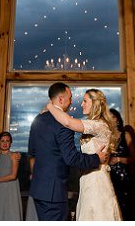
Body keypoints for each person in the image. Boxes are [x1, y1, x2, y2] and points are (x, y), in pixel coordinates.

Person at [28, 82, 108, 220]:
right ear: (61, 99)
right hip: (54, 192)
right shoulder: (63, 123)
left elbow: (32, 154)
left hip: (38, 189)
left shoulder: (38, 119)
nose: (72, 102)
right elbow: (71, 158)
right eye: (70, 98)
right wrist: (96, 158)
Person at [46, 88, 122, 220]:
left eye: (85, 101)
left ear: (95, 104)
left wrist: (50, 106)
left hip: (98, 183)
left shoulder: (100, 125)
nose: (81, 104)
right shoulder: (93, 125)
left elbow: (68, 122)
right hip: (86, 181)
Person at [0, 131, 23, 220]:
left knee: (10, 212)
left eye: (7, 141)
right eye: (2, 141)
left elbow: (13, 176)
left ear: (11, 143)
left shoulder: (14, 155)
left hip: (10, 188)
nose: (5, 143)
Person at [108, 109, 132, 220]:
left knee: (124, 208)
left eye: (111, 117)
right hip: (109, 177)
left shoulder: (125, 135)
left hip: (124, 177)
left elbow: (133, 159)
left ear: (117, 119)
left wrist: (118, 159)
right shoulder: (106, 137)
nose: (109, 119)